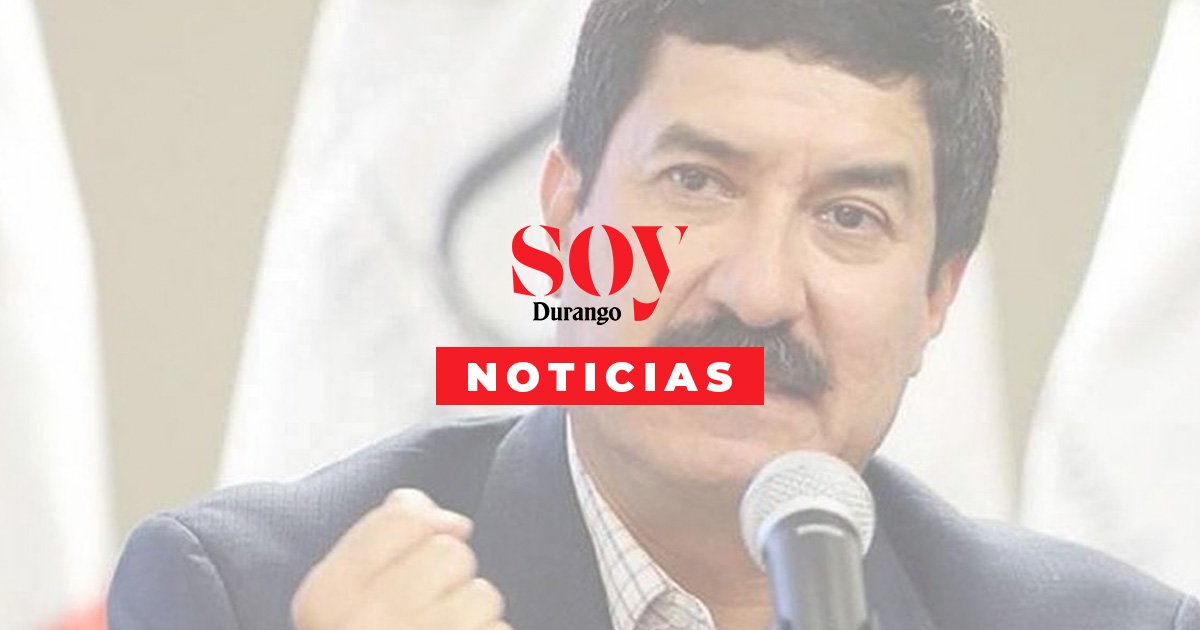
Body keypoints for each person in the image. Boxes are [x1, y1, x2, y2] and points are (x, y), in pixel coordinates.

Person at [108, 0, 1200, 628]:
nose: (758, 292)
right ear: (562, 219)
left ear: (936, 297)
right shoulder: (249, 596)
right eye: (697, 184)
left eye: (849, 216)